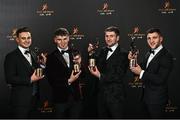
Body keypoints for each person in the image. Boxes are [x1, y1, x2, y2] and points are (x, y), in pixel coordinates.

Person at [128, 28, 174, 118]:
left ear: (161, 39)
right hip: (145, 98)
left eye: (154, 38)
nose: (151, 41)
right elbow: (139, 70)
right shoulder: (148, 53)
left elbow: (160, 79)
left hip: (157, 101)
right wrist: (133, 60)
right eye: (149, 38)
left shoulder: (167, 56)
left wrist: (141, 72)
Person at [4, 27, 45, 118]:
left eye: (28, 38)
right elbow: (9, 78)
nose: (27, 40)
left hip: (35, 99)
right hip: (20, 102)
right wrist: (30, 79)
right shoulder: (11, 56)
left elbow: (36, 72)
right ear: (17, 40)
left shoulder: (33, 54)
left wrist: (42, 65)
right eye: (23, 38)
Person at [88, 26, 129, 118]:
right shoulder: (103, 50)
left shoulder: (124, 54)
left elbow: (118, 76)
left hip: (115, 98)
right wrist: (90, 54)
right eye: (106, 36)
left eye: (111, 36)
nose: (108, 38)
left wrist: (99, 75)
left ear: (117, 38)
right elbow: (94, 64)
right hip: (101, 96)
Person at [45, 28, 84, 118]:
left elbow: (83, 75)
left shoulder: (76, 53)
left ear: (69, 38)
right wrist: (69, 81)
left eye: (65, 39)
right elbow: (51, 81)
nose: (63, 42)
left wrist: (80, 64)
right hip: (60, 99)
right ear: (55, 40)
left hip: (76, 98)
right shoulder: (51, 57)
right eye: (59, 39)